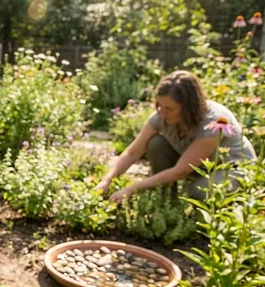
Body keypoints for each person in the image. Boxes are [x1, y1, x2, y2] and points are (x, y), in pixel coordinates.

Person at [95, 70, 256, 203]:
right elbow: (132, 153)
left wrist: (132, 189)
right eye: (160, 106)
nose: (163, 113)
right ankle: (165, 199)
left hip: (231, 168)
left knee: (199, 192)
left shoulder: (214, 122)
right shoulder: (161, 117)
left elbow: (181, 171)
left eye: (170, 108)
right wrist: (106, 180)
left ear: (188, 106)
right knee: (155, 143)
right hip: (197, 165)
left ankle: (229, 207)